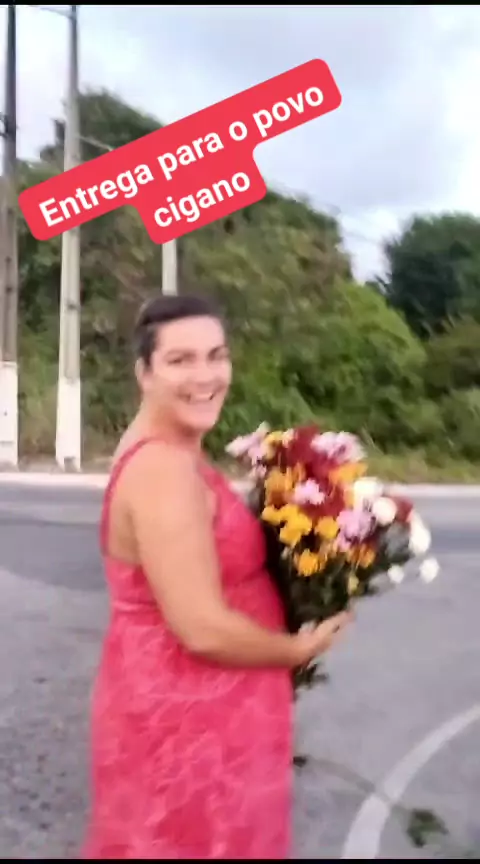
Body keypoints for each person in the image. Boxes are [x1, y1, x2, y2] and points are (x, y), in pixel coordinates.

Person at [81, 293, 352, 859]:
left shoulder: (169, 449)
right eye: (180, 360)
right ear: (144, 373)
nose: (204, 376)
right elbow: (200, 628)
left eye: (216, 355)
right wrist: (298, 648)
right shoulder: (162, 469)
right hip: (190, 721)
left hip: (193, 706)